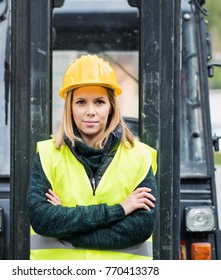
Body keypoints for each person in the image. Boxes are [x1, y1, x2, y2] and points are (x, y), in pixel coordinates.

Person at [27, 54, 158, 260]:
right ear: (70, 107)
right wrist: (120, 210)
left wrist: (67, 229)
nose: (90, 111)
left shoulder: (139, 157)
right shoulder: (48, 155)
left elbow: (140, 228)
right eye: (81, 102)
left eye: (99, 102)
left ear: (111, 106)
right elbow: (43, 220)